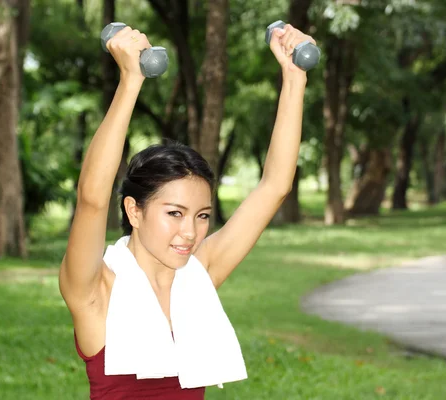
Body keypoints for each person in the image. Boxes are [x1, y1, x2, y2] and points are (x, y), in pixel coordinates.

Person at [59, 23, 315, 400]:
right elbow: (92, 199)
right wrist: (130, 81)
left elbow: (274, 186)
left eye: (202, 215)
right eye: (174, 213)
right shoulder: (96, 290)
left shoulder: (199, 274)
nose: (191, 233)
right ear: (134, 210)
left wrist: (294, 78)